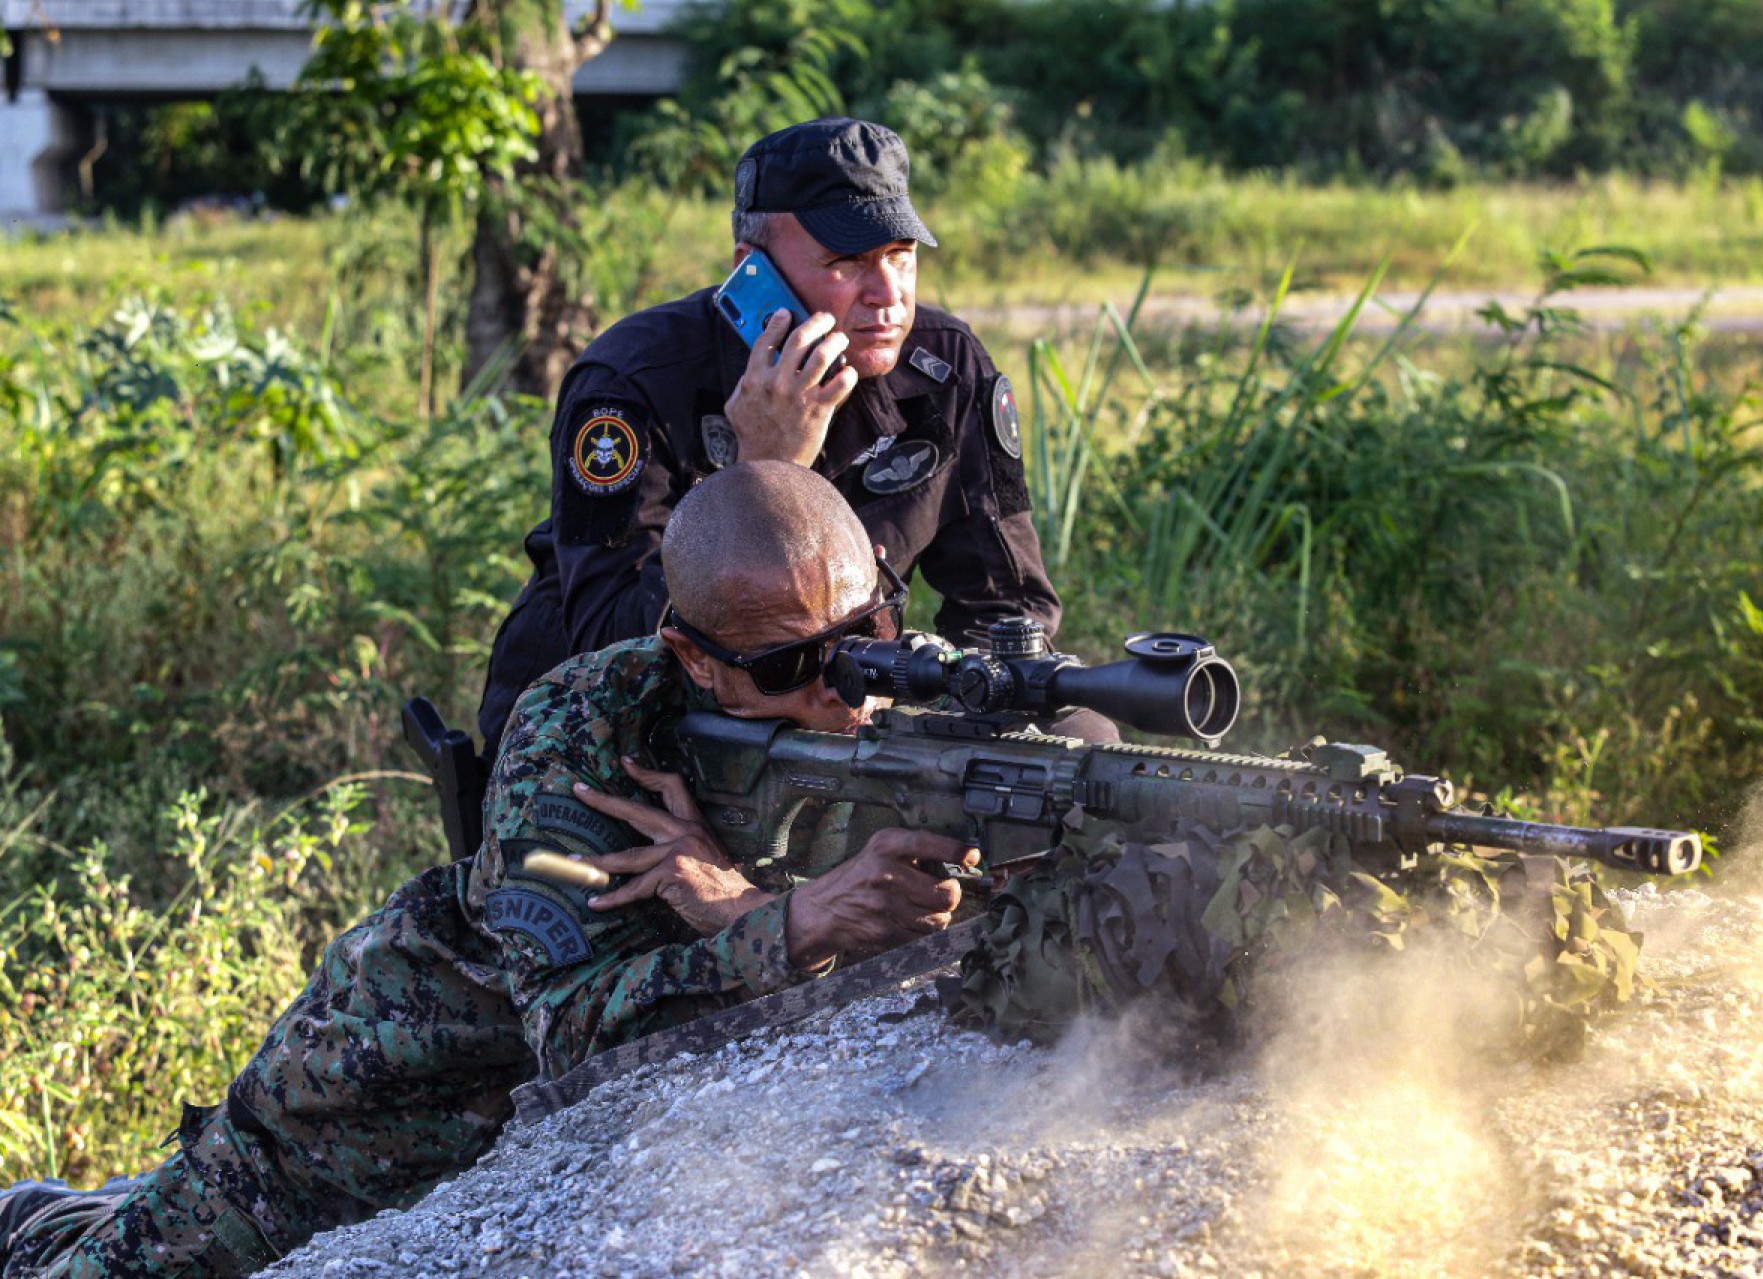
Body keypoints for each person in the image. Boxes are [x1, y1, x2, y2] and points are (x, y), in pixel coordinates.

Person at [0, 463, 976, 1277]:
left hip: (542, 1158)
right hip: (376, 1107)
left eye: (867, 635)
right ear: (695, 655)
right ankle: (50, 1220)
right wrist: (793, 925)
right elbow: (568, 1030)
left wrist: (753, 907)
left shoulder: (919, 706)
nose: (845, 687)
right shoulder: (583, 730)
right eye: (787, 668)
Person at [476, 115, 1072, 762]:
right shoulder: (632, 382)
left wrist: (942, 723)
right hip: (606, 736)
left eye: (901, 257)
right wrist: (763, 473)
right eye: (847, 263)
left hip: (832, 712)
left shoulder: (946, 370)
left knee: (1077, 747)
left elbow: (1010, 607)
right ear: (752, 270)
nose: (888, 295)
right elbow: (614, 646)